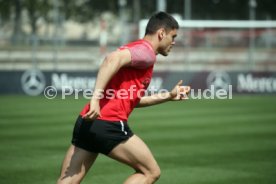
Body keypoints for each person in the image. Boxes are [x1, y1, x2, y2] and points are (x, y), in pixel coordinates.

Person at [57, 11, 190, 184]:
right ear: (161, 33)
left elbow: (131, 100)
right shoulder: (147, 52)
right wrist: (95, 99)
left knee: (67, 180)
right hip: (108, 123)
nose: (173, 42)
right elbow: (111, 59)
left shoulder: (139, 51)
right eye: (173, 36)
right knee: (150, 172)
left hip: (88, 121)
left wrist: (168, 96)